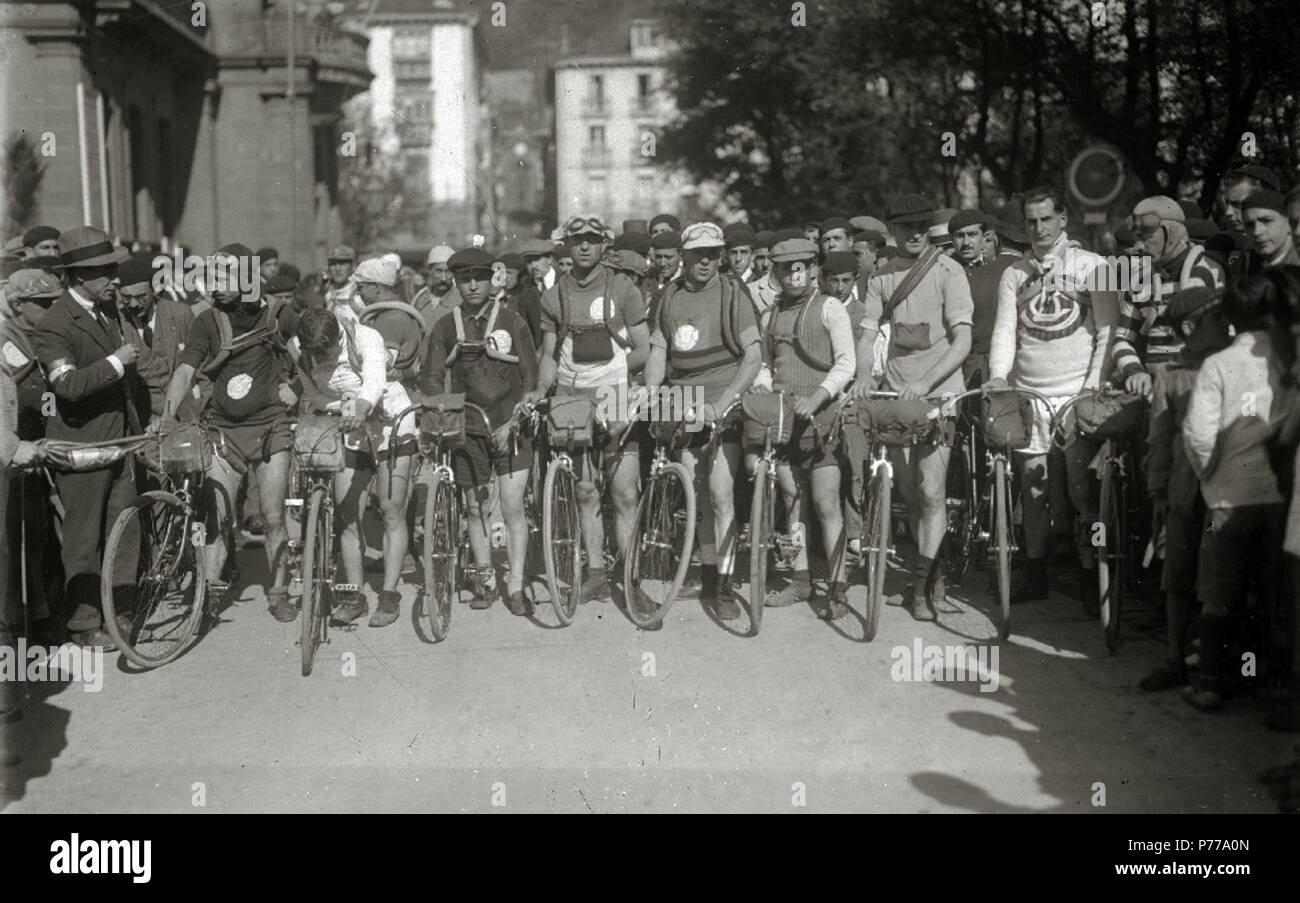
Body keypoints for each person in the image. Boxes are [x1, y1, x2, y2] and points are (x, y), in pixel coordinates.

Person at [987, 186, 1120, 608]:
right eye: (1031, 221)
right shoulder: (1014, 273)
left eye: (1047, 219)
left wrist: (1091, 387)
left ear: (1063, 219)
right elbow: (1006, 331)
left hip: (1077, 391)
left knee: (1081, 488)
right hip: (1030, 393)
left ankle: (1089, 572)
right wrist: (996, 376)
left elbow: (1108, 331)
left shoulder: (1095, 266)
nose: (1039, 228)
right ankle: (1036, 570)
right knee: (1032, 488)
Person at [161, 245, 299, 617]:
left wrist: (297, 388)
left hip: (271, 427)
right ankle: (205, 598)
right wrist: (167, 416)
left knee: (272, 517)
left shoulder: (278, 315)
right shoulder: (207, 321)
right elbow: (186, 369)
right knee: (219, 519)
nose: (213, 286)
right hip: (223, 432)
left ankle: (279, 592)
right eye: (210, 278)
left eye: (222, 278)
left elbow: (315, 353)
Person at [855, 193, 973, 619]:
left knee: (931, 489)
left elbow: (962, 341)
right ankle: (929, 570)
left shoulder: (948, 271)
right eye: (906, 227)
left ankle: (925, 584)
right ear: (892, 232)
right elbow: (867, 336)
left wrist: (926, 382)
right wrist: (866, 373)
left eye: (922, 225)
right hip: (896, 398)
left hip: (939, 395)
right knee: (908, 492)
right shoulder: (883, 276)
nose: (915, 233)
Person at [1182, 272, 1291, 712]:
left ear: (1230, 319)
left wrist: (1209, 477)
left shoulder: (1218, 364)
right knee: (1274, 593)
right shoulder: (1287, 361)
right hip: (1280, 497)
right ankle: (1270, 682)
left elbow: (1199, 434)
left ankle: (1210, 682)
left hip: (1228, 498)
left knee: (1219, 593)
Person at [32, 227, 143, 649]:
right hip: (80, 451)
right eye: (105, 270)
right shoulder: (54, 324)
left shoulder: (106, 310)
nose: (115, 277)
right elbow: (69, 387)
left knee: (126, 531)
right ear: (78, 275)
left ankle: (121, 614)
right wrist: (117, 361)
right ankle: (84, 626)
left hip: (121, 445)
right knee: (83, 543)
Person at [644, 221, 763, 619]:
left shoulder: (733, 293)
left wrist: (726, 401)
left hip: (724, 401)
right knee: (696, 496)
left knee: (720, 492)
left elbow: (753, 355)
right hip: (684, 400)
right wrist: (650, 390)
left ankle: (726, 584)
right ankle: (710, 575)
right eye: (700, 254)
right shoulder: (669, 297)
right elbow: (659, 351)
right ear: (685, 256)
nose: (708, 261)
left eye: (715, 253)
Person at [531, 214, 650, 601]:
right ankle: (596, 572)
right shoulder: (553, 296)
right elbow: (549, 354)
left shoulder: (624, 288)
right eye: (577, 239)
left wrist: (613, 376)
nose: (584, 246)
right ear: (566, 245)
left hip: (616, 394)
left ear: (604, 247)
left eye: (592, 240)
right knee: (584, 489)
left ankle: (631, 580)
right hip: (572, 396)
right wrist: (539, 390)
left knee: (624, 491)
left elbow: (644, 348)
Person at [419, 247, 538, 613]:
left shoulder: (512, 320)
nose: (472, 286)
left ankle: (516, 587)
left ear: (493, 280)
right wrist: (444, 418)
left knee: (513, 505)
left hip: (510, 425)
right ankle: (485, 582)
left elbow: (530, 378)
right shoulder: (444, 326)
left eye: (479, 278)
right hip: (468, 428)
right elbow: (432, 379)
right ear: (455, 282)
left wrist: (517, 419)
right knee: (475, 508)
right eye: (464, 279)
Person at [291, 306, 415, 627]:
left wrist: (360, 405)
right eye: (316, 354)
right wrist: (347, 408)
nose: (323, 358)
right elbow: (315, 397)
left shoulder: (365, 338)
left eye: (328, 351)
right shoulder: (301, 353)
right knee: (347, 514)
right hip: (351, 427)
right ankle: (354, 595)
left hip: (391, 421)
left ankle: (388, 596)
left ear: (339, 337)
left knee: (390, 509)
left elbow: (375, 382)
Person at [1140, 285, 1232, 692]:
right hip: (1182, 494)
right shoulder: (1172, 376)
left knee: (1217, 575)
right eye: (1217, 317)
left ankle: (1219, 667)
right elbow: (1158, 441)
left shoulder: (1239, 365)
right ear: (1193, 326)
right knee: (1176, 575)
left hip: (1225, 496)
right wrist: (1158, 493)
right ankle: (1175, 660)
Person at [764, 236, 856, 615]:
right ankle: (801, 581)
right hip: (785, 420)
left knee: (824, 502)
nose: (793, 274)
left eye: (800, 266)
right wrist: (766, 390)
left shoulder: (830, 308)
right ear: (776, 272)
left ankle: (837, 587)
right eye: (785, 268)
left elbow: (846, 363)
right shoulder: (771, 314)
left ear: (814, 268)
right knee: (792, 499)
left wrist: (818, 397)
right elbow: (767, 364)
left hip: (824, 418)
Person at [1111, 196, 1225, 400]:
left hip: (1199, 388)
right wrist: (1134, 371)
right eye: (1136, 236)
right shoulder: (1139, 279)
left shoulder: (1207, 271)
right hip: (1153, 392)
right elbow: (1122, 339)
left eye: (1146, 236)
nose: (1138, 245)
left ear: (1171, 233)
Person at [1, 269, 61, 640]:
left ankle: (42, 609)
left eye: (55, 301)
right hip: (15, 447)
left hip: (40, 440)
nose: (52, 308)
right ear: (18, 304)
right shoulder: (7, 338)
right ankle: (24, 618)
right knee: (20, 532)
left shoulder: (43, 332)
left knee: (40, 531)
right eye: (43, 303)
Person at [113, 257, 197, 423]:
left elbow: (202, 368)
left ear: (154, 290)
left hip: (186, 414)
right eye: (126, 298)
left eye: (141, 296)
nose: (134, 304)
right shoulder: (116, 321)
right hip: (145, 419)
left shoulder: (181, 314)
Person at [949, 209, 1019, 390]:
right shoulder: (945, 271)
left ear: (984, 236)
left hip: (1004, 362)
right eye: (959, 236)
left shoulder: (1006, 269)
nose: (966, 242)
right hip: (962, 364)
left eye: (972, 235)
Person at [1243, 190, 1299, 271]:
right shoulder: (1249, 265)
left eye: (1266, 221)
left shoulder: (1295, 269)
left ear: (1288, 223)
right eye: (1249, 225)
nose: (1256, 232)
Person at [323, 244, 362, 321]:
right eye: (333, 264)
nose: (337, 268)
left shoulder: (360, 292)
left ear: (353, 266)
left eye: (342, 263)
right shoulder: (328, 293)